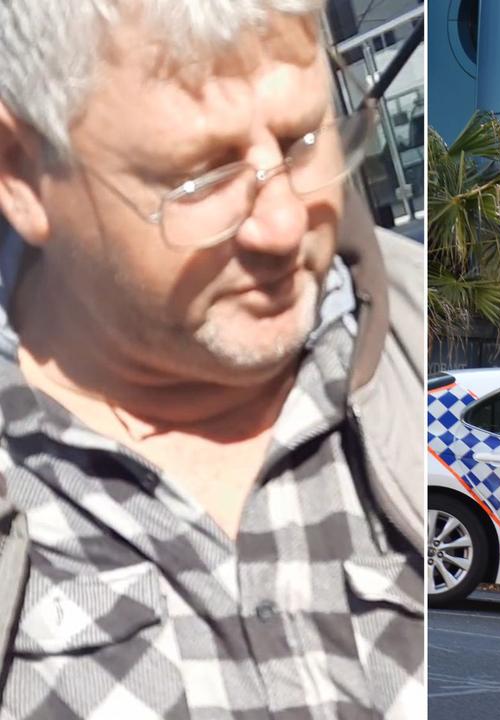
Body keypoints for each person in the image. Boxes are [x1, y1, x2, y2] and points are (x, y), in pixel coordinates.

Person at [0, 1, 424, 718]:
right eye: (201, 177)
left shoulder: (420, 336)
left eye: (303, 141)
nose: (284, 224)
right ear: (22, 174)